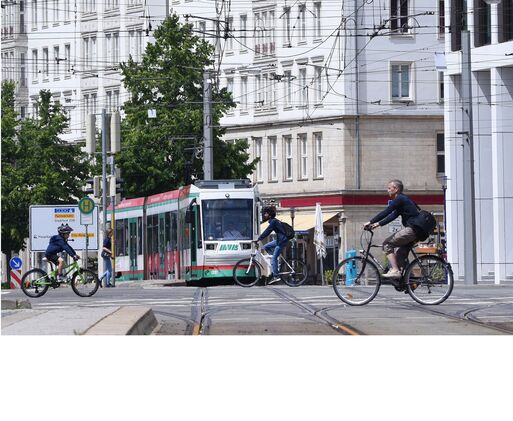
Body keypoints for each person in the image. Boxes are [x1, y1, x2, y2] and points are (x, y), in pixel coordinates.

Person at [363, 179, 422, 278]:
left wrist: (370, 221)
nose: (388, 190)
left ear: (396, 189)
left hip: (412, 229)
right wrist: (377, 224)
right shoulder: (403, 200)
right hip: (417, 231)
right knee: (400, 254)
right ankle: (409, 280)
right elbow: (392, 216)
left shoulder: (399, 199)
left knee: (387, 244)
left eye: (389, 188)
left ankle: (395, 270)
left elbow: (387, 211)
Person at [255, 206, 290, 284]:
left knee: (273, 258)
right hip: (279, 240)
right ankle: (275, 260)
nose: (264, 215)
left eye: (266, 213)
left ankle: (276, 276)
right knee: (266, 247)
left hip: (282, 240)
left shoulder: (274, 222)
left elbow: (268, 231)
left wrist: (259, 238)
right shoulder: (274, 221)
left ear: (269, 214)